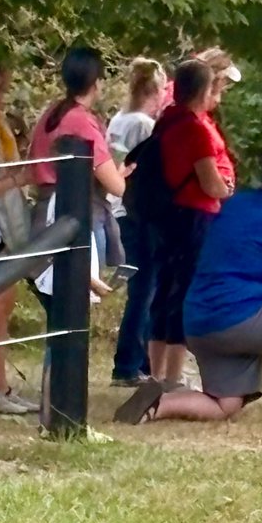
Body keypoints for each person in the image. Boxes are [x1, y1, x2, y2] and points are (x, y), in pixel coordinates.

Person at [114, 144, 262, 425]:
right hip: (238, 321)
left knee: (224, 404)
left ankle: (158, 404)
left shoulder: (233, 205)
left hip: (200, 323)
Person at [146, 59, 232, 390]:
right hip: (194, 214)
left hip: (166, 214)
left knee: (164, 288)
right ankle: (173, 375)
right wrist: (228, 188)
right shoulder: (195, 129)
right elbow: (211, 183)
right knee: (185, 292)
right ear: (203, 90)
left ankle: (156, 372)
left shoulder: (166, 119)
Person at [28, 44, 127, 263]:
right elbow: (116, 186)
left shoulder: (53, 111)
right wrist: (121, 173)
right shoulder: (81, 121)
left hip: (43, 217)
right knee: (78, 295)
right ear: (97, 83)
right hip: (79, 219)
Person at [107, 58, 167, 386]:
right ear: (155, 90)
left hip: (117, 209)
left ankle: (139, 361)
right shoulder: (144, 125)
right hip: (135, 212)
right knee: (144, 290)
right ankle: (129, 364)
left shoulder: (119, 119)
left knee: (142, 287)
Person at [0, 59, 38, 416]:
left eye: (1, 88)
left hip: (6, 224)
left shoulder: (0, 123)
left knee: (3, 309)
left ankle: (1, 385)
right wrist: (21, 178)